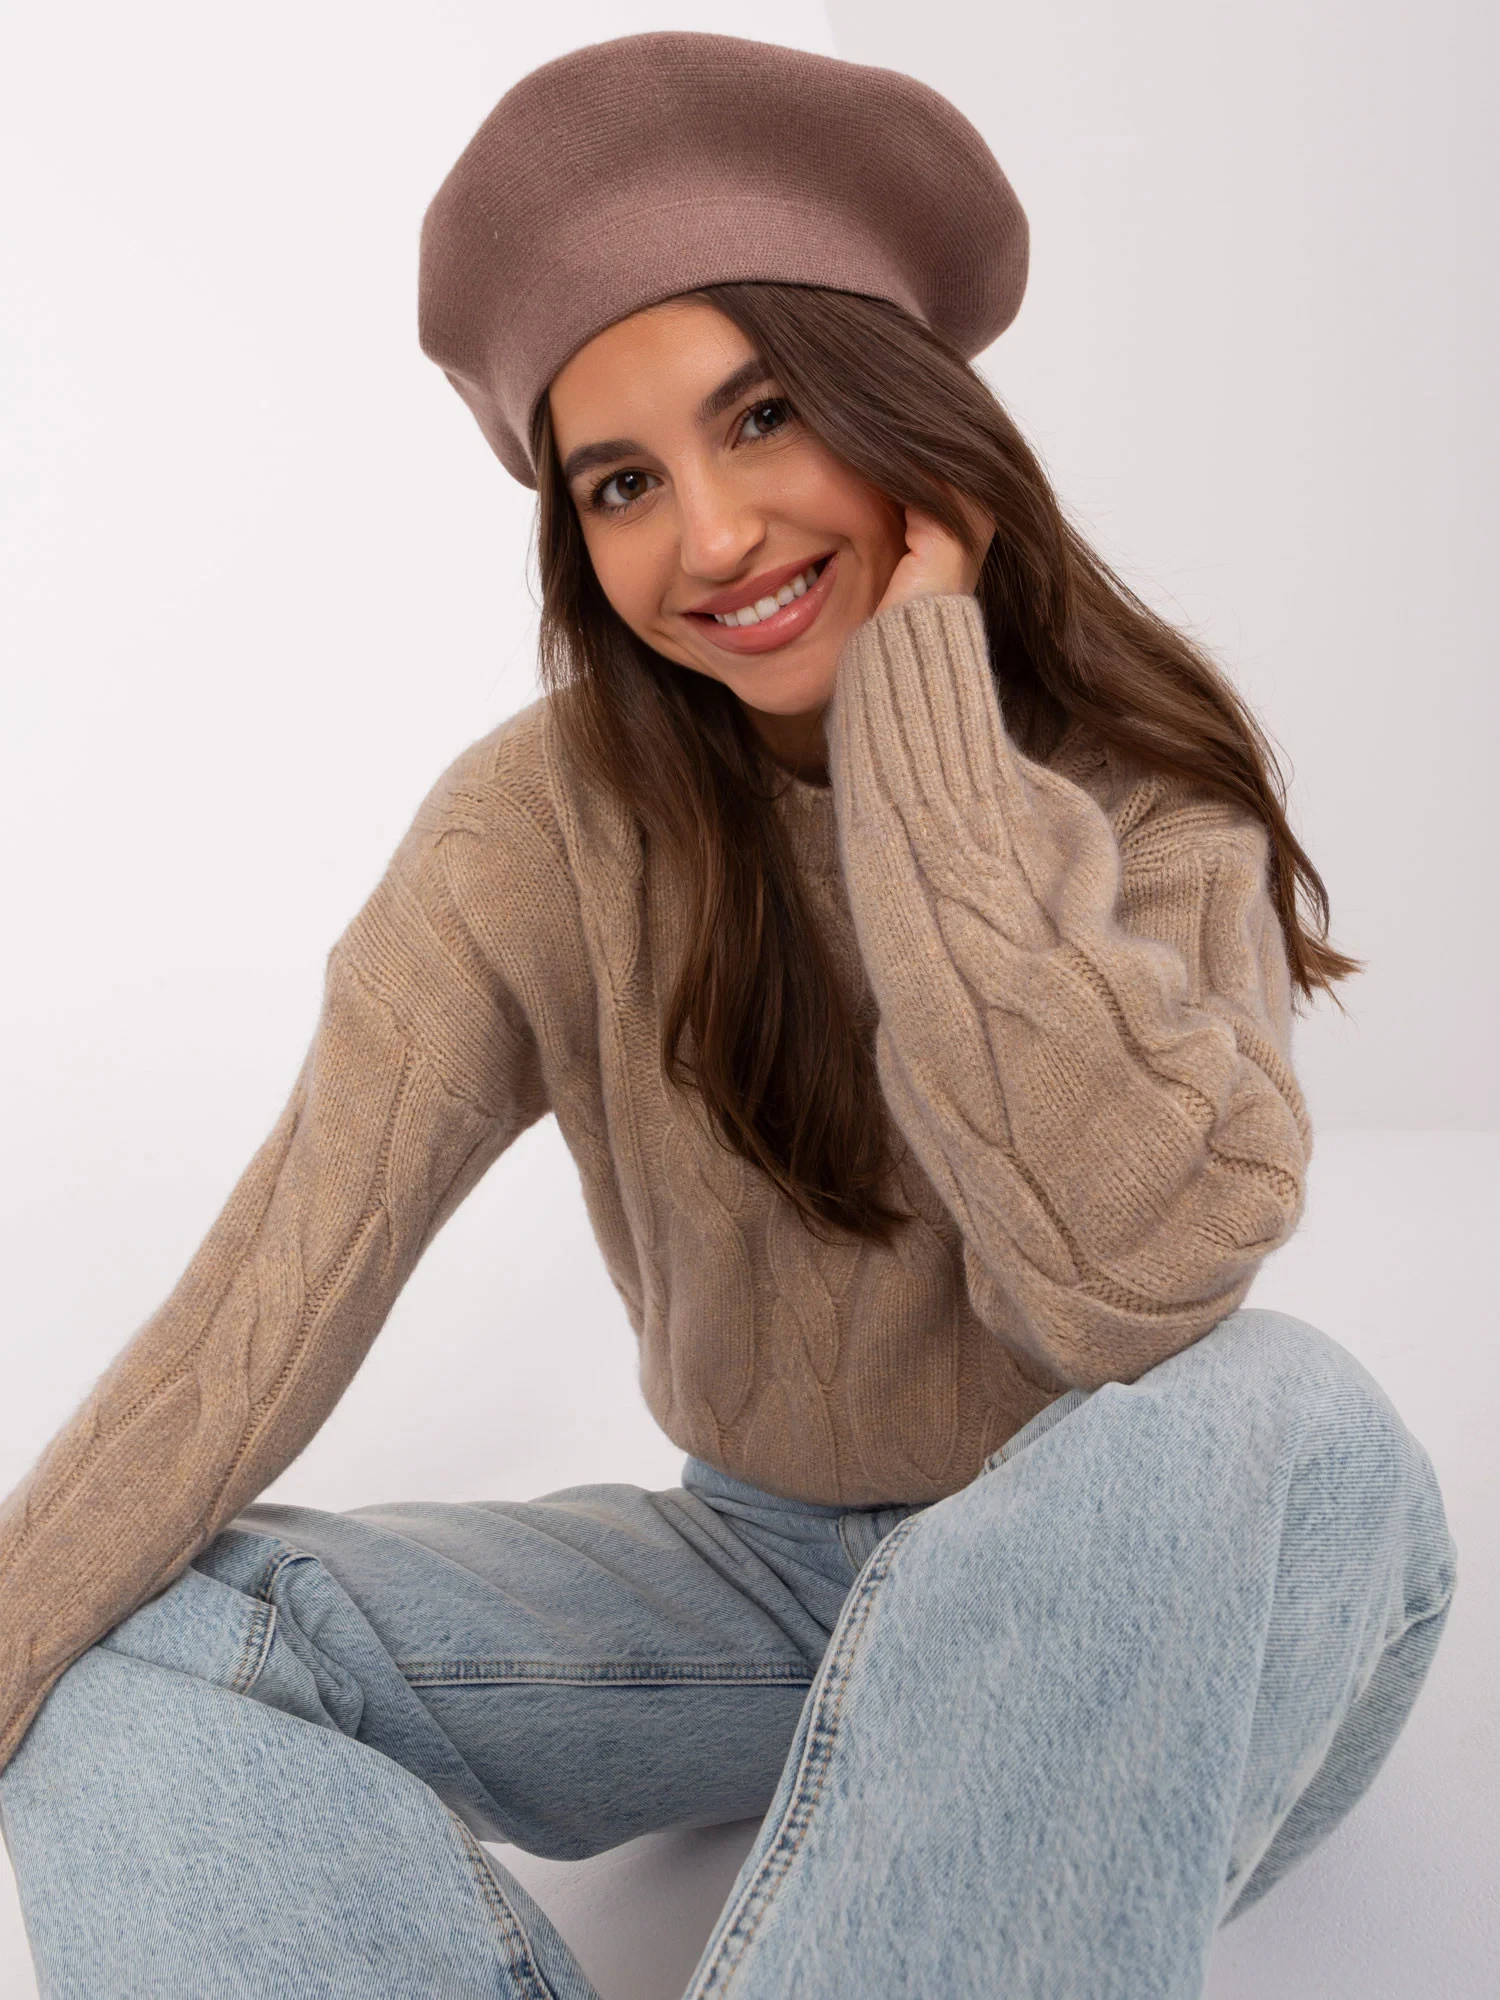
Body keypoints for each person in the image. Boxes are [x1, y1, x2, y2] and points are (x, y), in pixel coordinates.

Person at [0, 31, 1455, 1999]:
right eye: (624, 483)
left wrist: (926, 740)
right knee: (127, 1641)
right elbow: (266, 1293)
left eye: (764, 417)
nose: (709, 539)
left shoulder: (1146, 800)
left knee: (1274, 1407)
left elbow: (1125, 1298)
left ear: (908, 414)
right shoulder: (541, 829)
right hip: (763, 1577)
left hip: (1157, 1600)